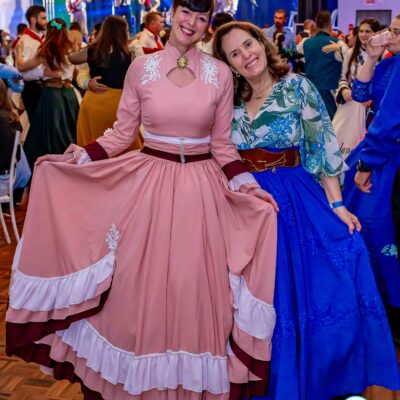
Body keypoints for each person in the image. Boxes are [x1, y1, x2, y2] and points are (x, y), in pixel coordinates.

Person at [5, 1, 278, 399]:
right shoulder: (141, 67)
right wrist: (82, 156)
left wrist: (246, 184)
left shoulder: (219, 73)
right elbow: (122, 132)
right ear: (173, 12)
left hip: (201, 192)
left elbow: (221, 145)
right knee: (135, 287)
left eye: (202, 17)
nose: (192, 22)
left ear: (207, 24)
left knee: (192, 286)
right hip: (148, 185)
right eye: (186, 12)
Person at [213, 20, 400, 400]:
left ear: (262, 43)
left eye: (248, 44)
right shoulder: (226, 101)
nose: (245, 55)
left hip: (294, 199)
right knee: (251, 296)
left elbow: (322, 147)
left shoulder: (297, 87)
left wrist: (337, 205)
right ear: (229, 65)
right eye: (234, 53)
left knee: (311, 281)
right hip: (244, 203)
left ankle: (311, 380)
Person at [344, 15, 400, 342]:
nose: (390, 35)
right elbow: (360, 93)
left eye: (397, 32)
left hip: (386, 155)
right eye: (391, 29)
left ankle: (388, 306)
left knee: (377, 228)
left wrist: (368, 163)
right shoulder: (389, 63)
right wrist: (372, 56)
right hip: (377, 148)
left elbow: (390, 120)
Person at [16, 18, 79, 171]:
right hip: (69, 94)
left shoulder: (46, 49)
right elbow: (76, 71)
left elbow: (22, 67)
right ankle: (73, 165)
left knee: (49, 135)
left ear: (49, 31)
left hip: (52, 96)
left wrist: (18, 52)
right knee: (71, 130)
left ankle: (49, 169)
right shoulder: (72, 48)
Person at [70, 16, 142, 148]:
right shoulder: (129, 52)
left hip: (93, 102)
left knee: (93, 147)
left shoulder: (93, 50)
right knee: (122, 146)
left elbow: (72, 58)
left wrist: (92, 45)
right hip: (117, 104)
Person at [333, 18, 381, 158]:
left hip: (371, 107)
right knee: (338, 138)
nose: (363, 34)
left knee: (364, 143)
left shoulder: (383, 55)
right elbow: (343, 77)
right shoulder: (350, 53)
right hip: (350, 104)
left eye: (368, 31)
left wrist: (372, 98)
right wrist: (344, 89)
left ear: (376, 33)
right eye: (361, 31)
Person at [303, 10, 342, 119]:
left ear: (315, 24)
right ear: (330, 24)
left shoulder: (306, 43)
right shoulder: (337, 43)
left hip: (310, 93)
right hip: (329, 94)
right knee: (332, 124)